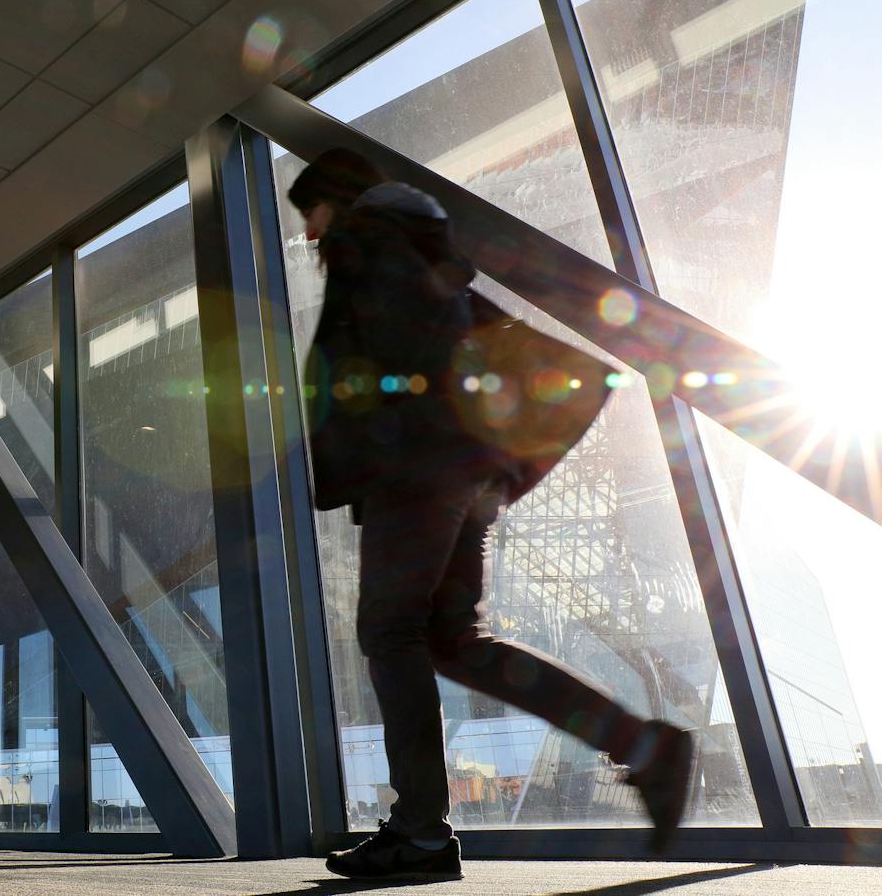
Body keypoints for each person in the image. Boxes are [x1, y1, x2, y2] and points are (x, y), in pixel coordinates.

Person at [290, 149, 694, 884]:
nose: (310, 236)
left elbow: (405, 358)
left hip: (417, 469)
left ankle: (418, 833)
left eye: (310, 216)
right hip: (463, 471)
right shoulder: (424, 253)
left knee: (390, 632)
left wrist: (368, 418)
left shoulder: (370, 245)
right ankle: (640, 744)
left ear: (339, 205)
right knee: (450, 640)